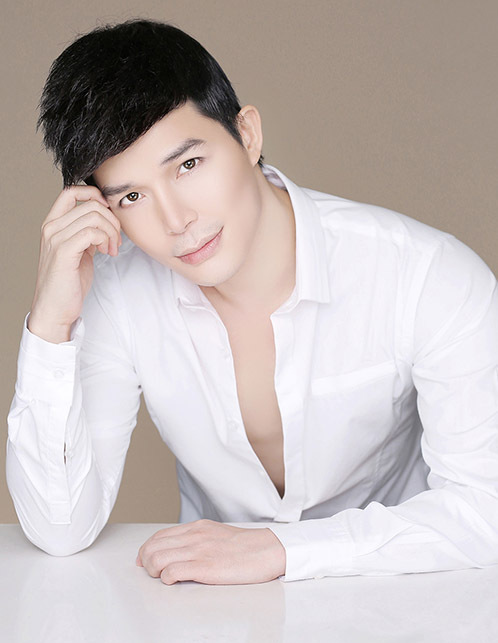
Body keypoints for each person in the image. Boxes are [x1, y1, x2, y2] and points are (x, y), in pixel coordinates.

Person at [6, 18, 498, 586]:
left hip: (405, 598)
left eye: (188, 165)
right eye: (133, 196)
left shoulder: (426, 275)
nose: (176, 220)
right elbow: (59, 528)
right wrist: (51, 323)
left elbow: (486, 508)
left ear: (247, 135)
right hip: (210, 606)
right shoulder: (117, 294)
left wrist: (283, 550)